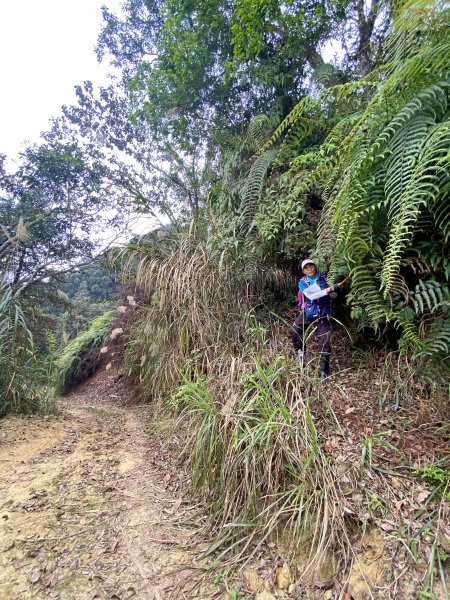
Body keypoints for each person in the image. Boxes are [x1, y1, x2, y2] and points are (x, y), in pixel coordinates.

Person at [290, 259, 341, 382]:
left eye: (311, 266)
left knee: (325, 341)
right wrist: (329, 290)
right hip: (308, 312)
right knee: (295, 331)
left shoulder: (325, 279)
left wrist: (335, 290)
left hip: (322, 313)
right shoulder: (303, 282)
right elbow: (312, 296)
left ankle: (323, 371)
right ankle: (300, 357)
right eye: (306, 268)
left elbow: (333, 296)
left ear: (315, 266)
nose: (309, 269)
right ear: (304, 271)